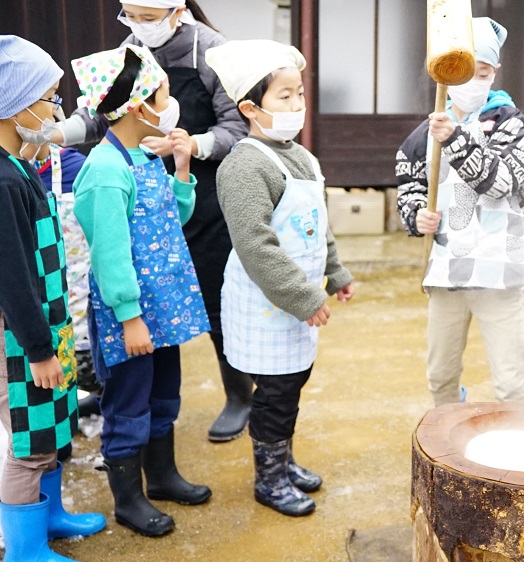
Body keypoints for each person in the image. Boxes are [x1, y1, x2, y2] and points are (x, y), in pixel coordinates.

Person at [55, 0, 252, 443]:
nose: (139, 26)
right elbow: (103, 109)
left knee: (217, 303)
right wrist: (57, 133)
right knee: (142, 311)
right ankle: (124, 395)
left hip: (201, 192)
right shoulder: (108, 168)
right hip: (144, 188)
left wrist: (191, 147)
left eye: (148, 16)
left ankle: (239, 395)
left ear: (177, 10)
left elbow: (237, 129)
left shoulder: (212, 52)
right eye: (131, 16)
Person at [206, 39, 354, 517]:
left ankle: (283, 461)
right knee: (274, 395)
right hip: (268, 305)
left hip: (297, 303)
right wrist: (302, 296)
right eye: (283, 97)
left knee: (291, 385)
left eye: (299, 95)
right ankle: (268, 479)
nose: (296, 106)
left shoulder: (303, 157)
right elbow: (255, 244)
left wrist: (335, 273)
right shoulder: (244, 165)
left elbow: (318, 227)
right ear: (250, 107)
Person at [72, 44, 212, 537]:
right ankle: (129, 500)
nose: (170, 108)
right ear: (138, 104)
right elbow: (110, 256)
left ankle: (164, 476)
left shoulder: (142, 156)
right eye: (164, 98)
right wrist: (130, 317)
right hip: (129, 316)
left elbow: (176, 219)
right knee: (128, 403)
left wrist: (180, 168)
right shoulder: (105, 171)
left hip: (164, 311)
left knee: (163, 396)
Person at [396, 18, 524, 407]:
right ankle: (449, 450)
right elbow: (409, 186)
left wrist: (456, 139)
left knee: (511, 383)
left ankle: (518, 453)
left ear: (494, 72)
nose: (472, 83)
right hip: (446, 270)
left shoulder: (517, 127)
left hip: (501, 269)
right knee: (440, 376)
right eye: (463, 74)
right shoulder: (422, 135)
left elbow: (501, 184)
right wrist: (415, 216)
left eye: (481, 73)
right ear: (445, 76)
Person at [0, 35, 106, 562]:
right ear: (18, 105)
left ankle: (53, 515)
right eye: (51, 98)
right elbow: (13, 278)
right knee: (30, 442)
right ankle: (24, 549)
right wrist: (40, 350)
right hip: (20, 343)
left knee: (56, 421)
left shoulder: (22, 163)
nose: (59, 111)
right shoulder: (2, 182)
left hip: (47, 332)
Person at [21, 135, 105, 427]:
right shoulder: (12, 177)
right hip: (32, 309)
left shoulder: (74, 166)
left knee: (89, 370)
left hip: (80, 297)